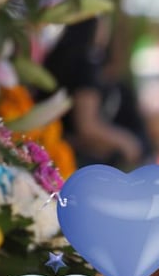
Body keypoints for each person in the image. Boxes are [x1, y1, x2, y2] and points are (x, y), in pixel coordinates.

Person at [42, 16, 145, 168]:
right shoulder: (86, 63)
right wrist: (127, 143)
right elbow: (87, 126)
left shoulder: (57, 56)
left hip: (42, 145)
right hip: (65, 158)